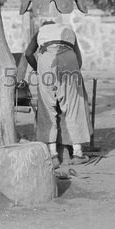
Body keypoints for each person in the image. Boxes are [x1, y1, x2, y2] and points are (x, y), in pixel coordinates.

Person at [24, 20, 92, 166]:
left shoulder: (40, 32)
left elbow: (28, 54)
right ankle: (78, 153)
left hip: (47, 61)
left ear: (44, 27)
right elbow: (79, 61)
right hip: (69, 61)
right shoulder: (67, 31)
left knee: (47, 108)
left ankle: (52, 155)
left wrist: (39, 69)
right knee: (73, 107)